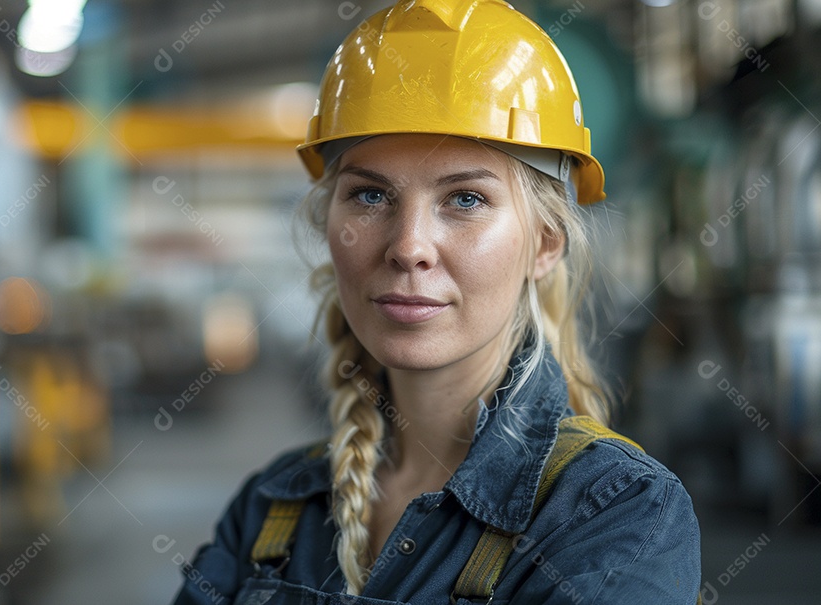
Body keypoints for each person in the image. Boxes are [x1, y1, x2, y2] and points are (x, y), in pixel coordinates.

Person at [171, 1, 702, 603]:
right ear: (329, 227)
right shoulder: (271, 508)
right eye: (371, 196)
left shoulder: (614, 516)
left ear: (544, 245)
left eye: (466, 200)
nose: (408, 248)